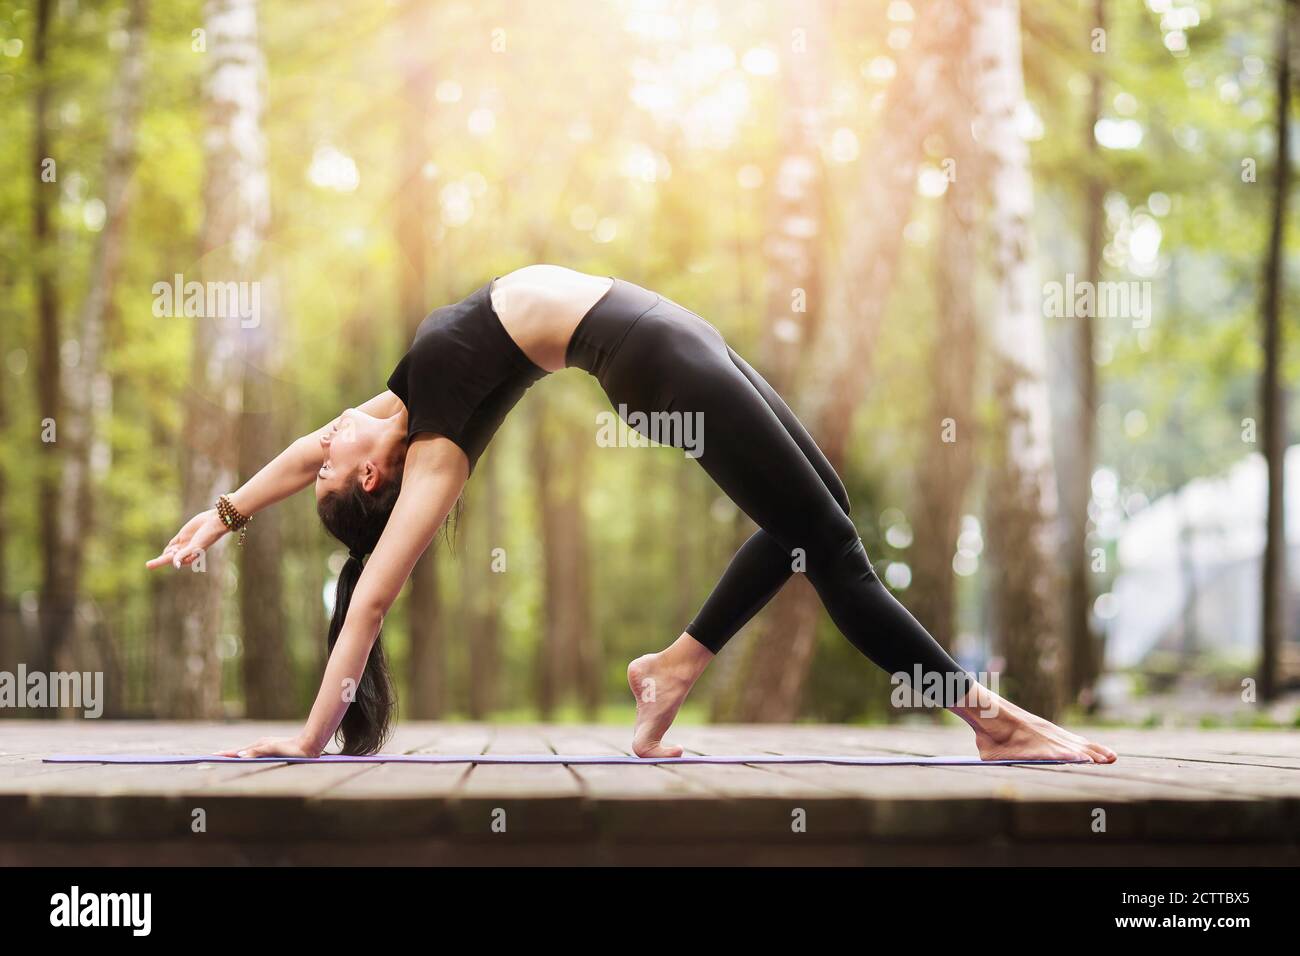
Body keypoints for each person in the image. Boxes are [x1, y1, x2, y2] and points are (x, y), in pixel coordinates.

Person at [147, 264, 1117, 765]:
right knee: (830, 547)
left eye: (320, 454)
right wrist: (312, 738)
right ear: (370, 482)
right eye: (328, 467)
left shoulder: (399, 399)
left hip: (674, 333)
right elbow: (367, 606)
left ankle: (671, 667)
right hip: (659, 364)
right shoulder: (433, 445)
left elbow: (293, 463)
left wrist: (221, 513)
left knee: (815, 513)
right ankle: (987, 720)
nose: (321, 445)